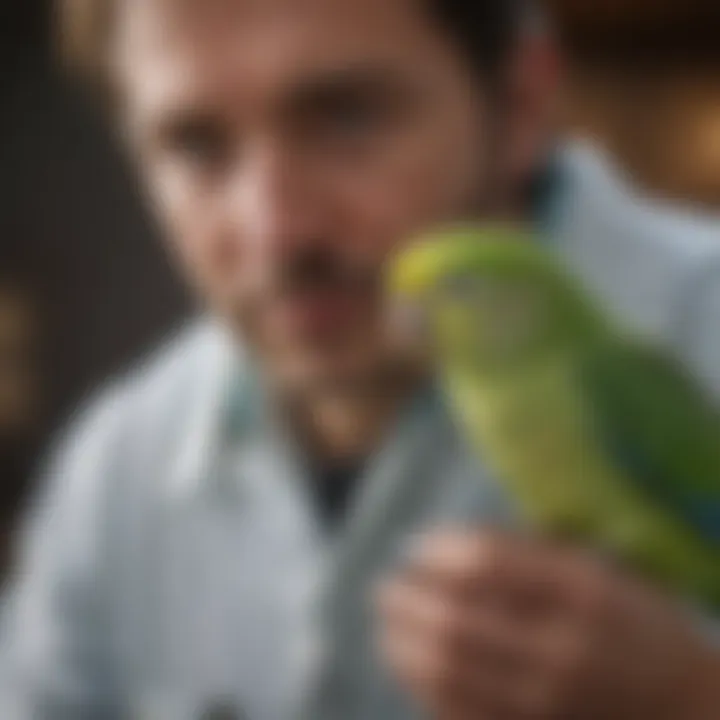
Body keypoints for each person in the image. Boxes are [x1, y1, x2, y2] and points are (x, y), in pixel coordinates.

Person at [3, 0, 720, 718]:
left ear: (522, 102)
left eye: (348, 118)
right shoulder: (114, 468)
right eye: (196, 148)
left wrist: (693, 696)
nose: (277, 230)